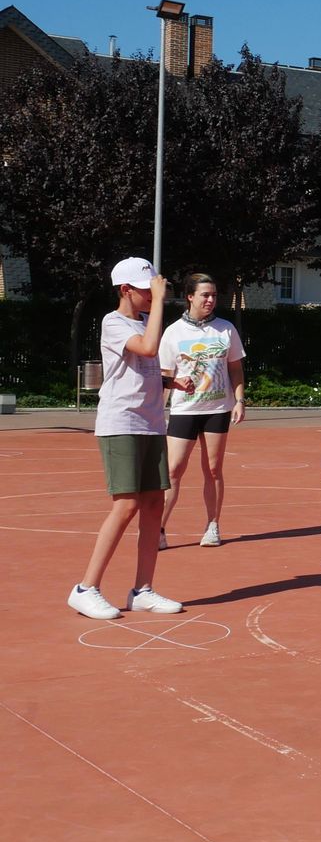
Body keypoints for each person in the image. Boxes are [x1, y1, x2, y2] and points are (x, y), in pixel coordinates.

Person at [68, 258, 193, 620]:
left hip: (152, 423)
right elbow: (149, 348)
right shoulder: (114, 322)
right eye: (146, 290)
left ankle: (143, 590)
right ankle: (85, 588)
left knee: (154, 504)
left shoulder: (140, 322)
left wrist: (171, 382)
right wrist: (157, 303)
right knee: (126, 505)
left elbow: (142, 368)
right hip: (121, 422)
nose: (155, 296)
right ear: (126, 290)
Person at [159, 273, 245, 548]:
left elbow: (235, 368)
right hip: (184, 410)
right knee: (173, 470)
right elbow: (164, 375)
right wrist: (157, 409)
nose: (211, 300)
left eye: (214, 295)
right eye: (205, 295)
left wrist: (240, 400)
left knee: (213, 469)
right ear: (190, 297)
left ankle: (212, 526)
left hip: (218, 408)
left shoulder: (226, 329)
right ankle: (158, 529)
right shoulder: (173, 332)